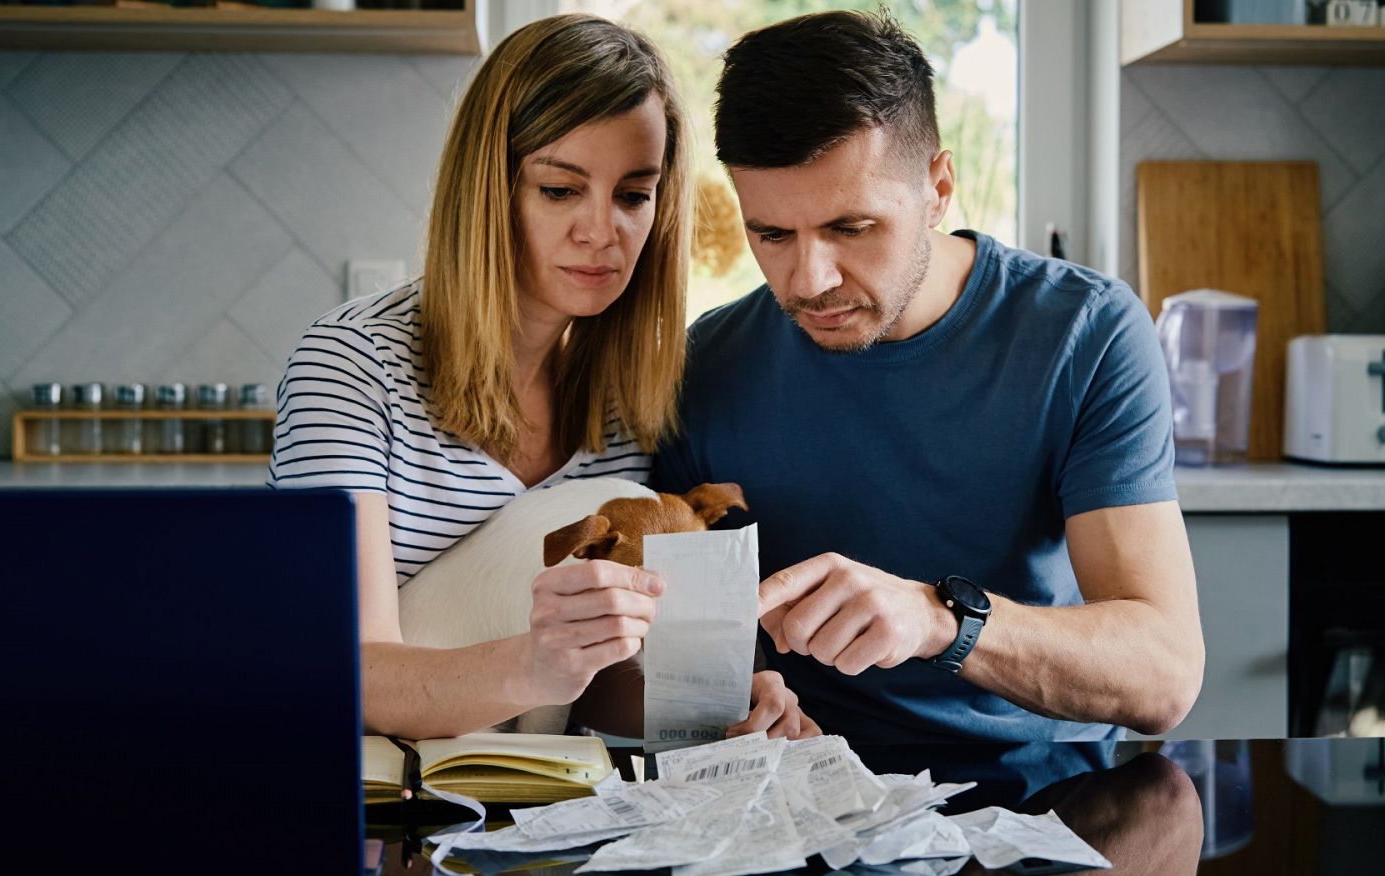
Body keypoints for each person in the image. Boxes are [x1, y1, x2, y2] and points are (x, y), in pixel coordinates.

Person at [652, 10, 1203, 743]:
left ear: (938, 188)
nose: (809, 281)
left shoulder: (1085, 332)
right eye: (773, 234)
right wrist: (737, 698)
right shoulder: (707, 365)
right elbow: (690, 656)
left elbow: (1164, 677)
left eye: (851, 228)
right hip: (802, 793)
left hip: (1043, 795)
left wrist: (941, 621)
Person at [268, 13, 815, 741]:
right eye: (560, 189)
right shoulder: (351, 366)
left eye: (633, 195)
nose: (602, 231)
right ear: (489, 190)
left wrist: (715, 707)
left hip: (537, 788)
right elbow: (341, 670)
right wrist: (532, 665)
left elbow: (585, 688)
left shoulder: (626, 400)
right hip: (373, 790)